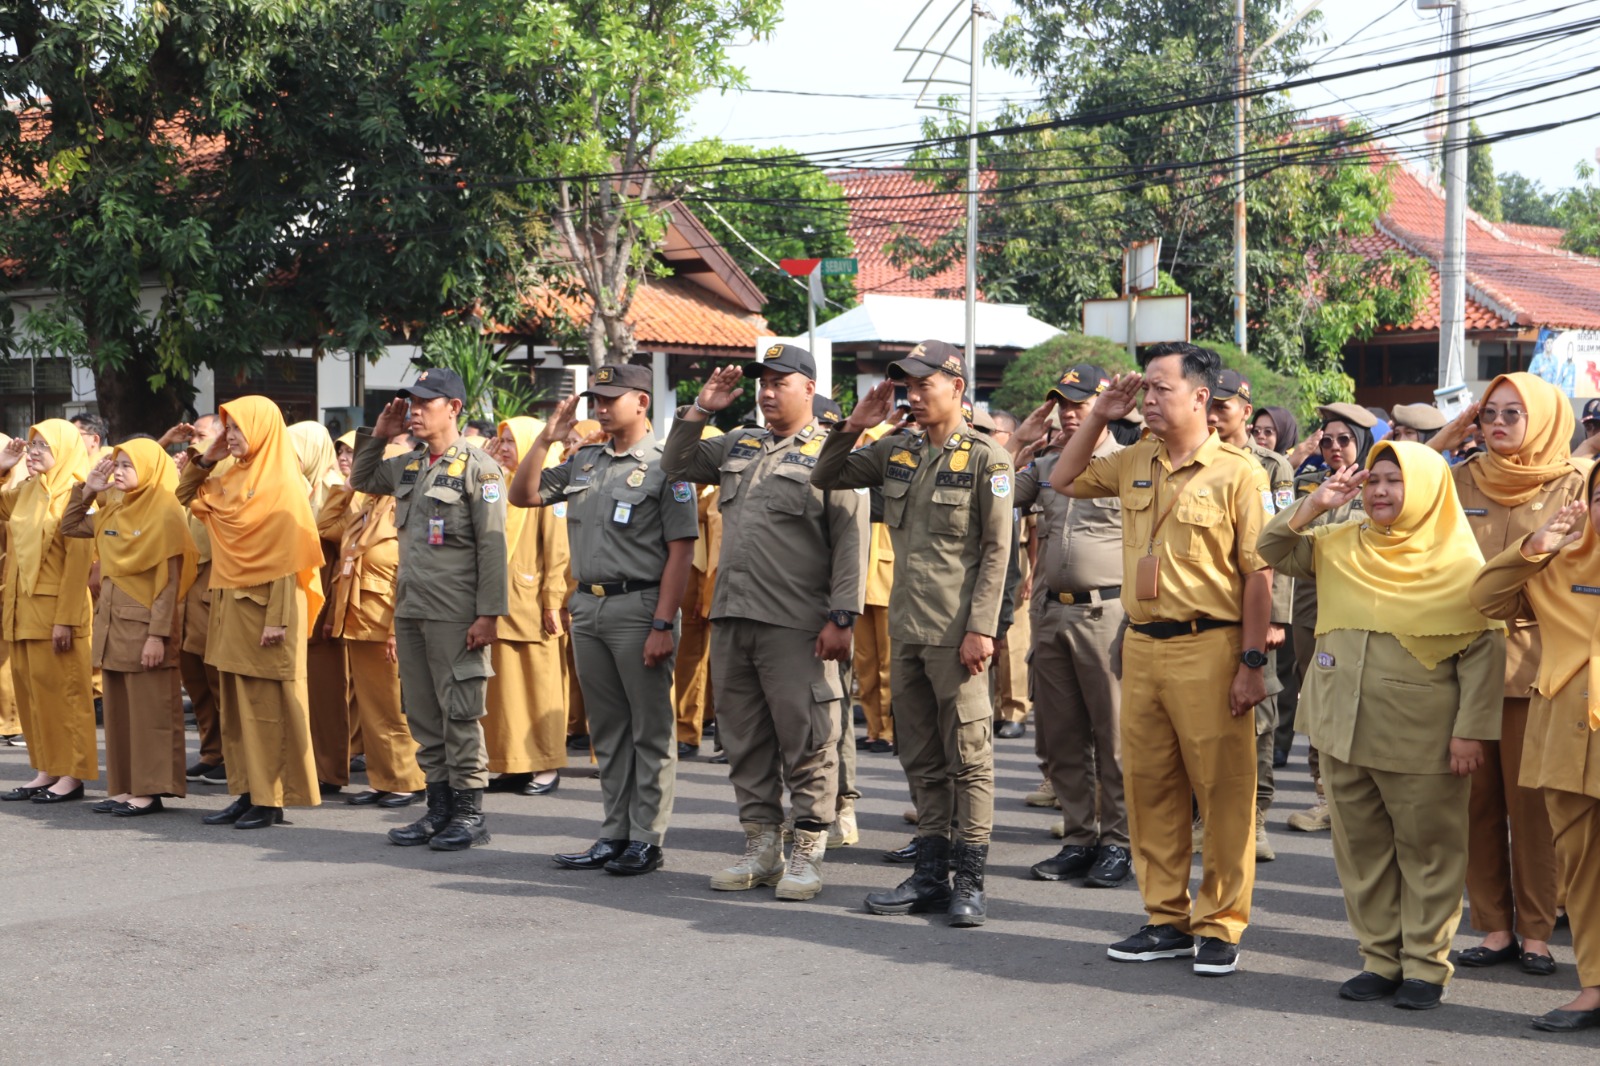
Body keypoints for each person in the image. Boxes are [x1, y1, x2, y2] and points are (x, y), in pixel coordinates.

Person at [1049, 342, 1272, 976]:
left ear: (1201, 396)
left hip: (1213, 644)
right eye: (1143, 390)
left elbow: (1259, 576)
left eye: (1159, 389)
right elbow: (1062, 479)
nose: (1147, 400)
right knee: (1151, 789)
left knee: (1223, 792)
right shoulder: (1132, 458)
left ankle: (1222, 924)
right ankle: (1165, 918)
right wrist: (1098, 416)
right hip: (1143, 644)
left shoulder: (1238, 472)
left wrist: (1251, 663)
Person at [1261, 442, 1504, 1010]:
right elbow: (1270, 547)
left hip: (1423, 738)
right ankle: (1379, 959)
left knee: (1429, 852)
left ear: (1423, 488)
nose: (1379, 492)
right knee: (1362, 853)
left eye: (1394, 481)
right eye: (1372, 481)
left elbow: (1484, 655)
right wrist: (1315, 504)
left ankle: (1424, 966)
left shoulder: (1460, 564)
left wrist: (1470, 732)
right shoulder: (1339, 540)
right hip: (1342, 730)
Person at [811, 339, 1014, 927]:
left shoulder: (986, 460)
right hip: (909, 629)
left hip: (959, 636)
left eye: (925, 384)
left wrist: (982, 628)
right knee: (921, 756)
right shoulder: (895, 450)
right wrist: (854, 425)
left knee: (970, 756)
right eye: (909, 385)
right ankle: (929, 874)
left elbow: (998, 552)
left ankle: (969, 881)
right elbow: (829, 474)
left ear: (956, 386)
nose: (914, 394)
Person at [663, 344, 868, 901]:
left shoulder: (833, 452)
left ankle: (807, 850)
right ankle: (760, 847)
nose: (767, 391)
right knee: (745, 739)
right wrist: (701, 410)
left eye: (780, 381)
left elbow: (852, 539)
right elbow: (675, 465)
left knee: (807, 740)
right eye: (763, 382)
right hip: (734, 614)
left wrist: (842, 615)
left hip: (797, 622)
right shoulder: (739, 443)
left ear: (809, 387)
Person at [509, 362, 697, 876]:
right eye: (597, 398)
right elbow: (522, 494)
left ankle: (647, 838)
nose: (601, 407)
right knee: (608, 730)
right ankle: (613, 832)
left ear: (641, 401)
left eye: (612, 397)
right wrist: (547, 438)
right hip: (588, 606)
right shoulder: (585, 460)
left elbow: (681, 553)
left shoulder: (668, 464)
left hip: (640, 606)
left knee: (650, 729)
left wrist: (663, 624)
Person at [1429, 372, 1587, 978]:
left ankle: (1538, 933)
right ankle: (1495, 928)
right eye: (1488, 413)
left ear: (1544, 419)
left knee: (1534, 811)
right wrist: (1448, 435)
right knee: (1474, 805)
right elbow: (1387, 482)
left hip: (1540, 668)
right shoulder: (1460, 478)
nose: (1497, 423)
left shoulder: (1575, 485)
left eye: (1512, 414)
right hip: (1466, 664)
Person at [351, 369, 508, 851]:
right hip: (413, 608)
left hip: (457, 613)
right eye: (411, 403)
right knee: (423, 713)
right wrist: (379, 434)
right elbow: (363, 477)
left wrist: (488, 615)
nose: (414, 411)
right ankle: (438, 809)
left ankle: (468, 813)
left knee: (459, 712)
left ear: (453, 408)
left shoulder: (480, 469)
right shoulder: (412, 465)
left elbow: (492, 548)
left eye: (425, 403)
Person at [1471, 468, 1600, 1032]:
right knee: (1585, 870)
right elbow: (1486, 598)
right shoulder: (1560, 565)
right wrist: (1535, 547)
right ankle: (1594, 989)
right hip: (1568, 734)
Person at [1006, 364, 1131, 888]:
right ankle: (1079, 836)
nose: (1071, 410)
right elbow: (992, 499)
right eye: (1064, 402)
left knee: (1116, 736)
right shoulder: (1048, 465)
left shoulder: (1130, 463)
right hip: (1050, 612)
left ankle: (1120, 841)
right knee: (1061, 736)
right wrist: (1015, 445)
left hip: (1107, 614)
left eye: (1081, 401)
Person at [179, 398, 326, 829]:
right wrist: (207, 458)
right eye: (227, 430)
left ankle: (270, 798)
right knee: (236, 708)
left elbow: (290, 556)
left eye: (238, 429)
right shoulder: (231, 476)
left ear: (263, 430)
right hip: (229, 605)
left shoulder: (284, 483)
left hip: (267, 613)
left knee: (267, 708)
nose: (232, 438)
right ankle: (245, 793)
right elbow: (183, 494)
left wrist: (278, 619)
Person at [63, 439, 200, 816]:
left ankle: (150, 790)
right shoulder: (114, 511)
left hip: (145, 631)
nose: (118, 472)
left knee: (150, 714)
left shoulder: (165, 514)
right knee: (121, 715)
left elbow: (168, 583)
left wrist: (158, 636)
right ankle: (123, 786)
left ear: (151, 470)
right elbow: (71, 525)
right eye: (116, 464)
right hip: (112, 627)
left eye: (127, 465)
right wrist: (89, 489)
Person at [1206, 369, 1294, 863]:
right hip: (1210, 609)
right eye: (1209, 406)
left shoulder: (1273, 465)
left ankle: (1256, 819)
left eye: (1224, 406)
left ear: (1245, 407)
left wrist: (1275, 619)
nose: (1214, 415)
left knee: (1258, 717)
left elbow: (1280, 547)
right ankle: (1209, 816)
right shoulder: (1197, 455)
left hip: (1256, 609)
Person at [1284, 403, 1379, 835]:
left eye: (1344, 439)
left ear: (1361, 441)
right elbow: (1281, 535)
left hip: (1361, 611)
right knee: (1315, 701)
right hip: (1310, 608)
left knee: (1360, 699)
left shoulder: (1378, 485)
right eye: (1327, 440)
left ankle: (1358, 794)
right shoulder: (1306, 483)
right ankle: (1324, 796)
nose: (1335, 448)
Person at [318, 433, 426, 808]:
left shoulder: (408, 508)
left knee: (394, 708)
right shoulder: (368, 505)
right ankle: (384, 779)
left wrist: (399, 628)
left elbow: (410, 574)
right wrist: (347, 488)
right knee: (372, 708)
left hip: (387, 624)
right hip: (359, 620)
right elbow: (325, 526)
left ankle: (407, 780)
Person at [0, 421, 97, 803]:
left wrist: (66, 620)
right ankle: (46, 769)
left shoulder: (78, 496)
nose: (34, 451)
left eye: (43, 445)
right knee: (33, 696)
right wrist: (4, 465)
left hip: (57, 613)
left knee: (66, 695)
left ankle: (72, 775)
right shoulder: (27, 490)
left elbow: (78, 565)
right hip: (21, 609)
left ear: (66, 449)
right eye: (32, 444)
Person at [481, 416, 570, 797]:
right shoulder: (499, 486)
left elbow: (557, 549)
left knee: (540, 686)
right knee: (505, 693)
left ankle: (547, 764)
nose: (503, 448)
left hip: (533, 604)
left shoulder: (547, 484)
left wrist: (553, 602)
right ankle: (513, 763)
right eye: (500, 441)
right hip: (502, 604)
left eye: (510, 441)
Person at [290, 421, 355, 794]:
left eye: (295, 449)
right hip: (296, 596)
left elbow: (334, 535)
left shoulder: (335, 490)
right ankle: (306, 765)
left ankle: (329, 769)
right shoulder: (296, 487)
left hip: (327, 598)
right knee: (303, 690)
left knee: (327, 691)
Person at [673, 424, 722, 758]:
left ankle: (725, 733)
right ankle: (687, 729)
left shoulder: (724, 485)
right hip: (691, 575)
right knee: (688, 658)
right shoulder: (686, 486)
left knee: (725, 662)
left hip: (719, 576)